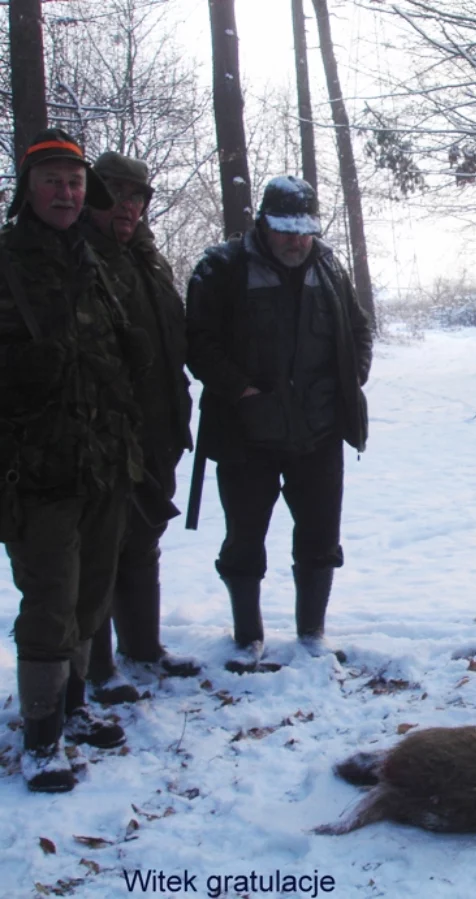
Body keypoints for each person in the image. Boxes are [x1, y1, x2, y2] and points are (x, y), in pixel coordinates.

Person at [0, 129, 148, 792]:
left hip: (105, 461)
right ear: (27, 190)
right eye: (53, 180)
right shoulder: (8, 263)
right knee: (51, 597)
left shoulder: (95, 263)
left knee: (91, 592)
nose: (66, 192)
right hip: (37, 468)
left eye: (75, 181)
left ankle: (75, 707)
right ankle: (40, 737)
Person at [186, 176, 372, 673]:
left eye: (304, 229)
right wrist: (239, 388)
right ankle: (247, 637)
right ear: (263, 223)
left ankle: (312, 633)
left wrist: (352, 376)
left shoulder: (328, 266)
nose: (296, 239)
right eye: (286, 228)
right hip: (246, 434)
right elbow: (197, 342)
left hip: (319, 432)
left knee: (320, 538)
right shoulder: (222, 268)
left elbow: (358, 327)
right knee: (244, 539)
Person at [80, 151, 198, 703]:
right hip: (101, 437)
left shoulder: (149, 261)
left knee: (143, 539)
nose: (125, 206)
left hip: (157, 431)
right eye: (113, 193)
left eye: (136, 196)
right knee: (98, 548)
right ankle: (97, 667)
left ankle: (143, 648)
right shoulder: (79, 256)